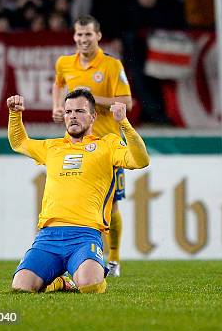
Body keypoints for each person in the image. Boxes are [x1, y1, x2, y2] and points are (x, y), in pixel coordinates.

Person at [8, 90, 150, 293]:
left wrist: (124, 124)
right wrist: (15, 114)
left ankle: (74, 278)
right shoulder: (52, 146)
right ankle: (61, 283)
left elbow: (141, 160)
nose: (73, 115)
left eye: (80, 111)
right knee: (21, 287)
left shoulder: (108, 144)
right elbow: (19, 142)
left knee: (90, 285)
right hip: (48, 236)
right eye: (68, 111)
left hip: (85, 235)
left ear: (93, 116)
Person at [52, 15, 133, 277]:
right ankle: (81, 256)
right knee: (75, 204)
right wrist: (57, 106)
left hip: (106, 146)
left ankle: (114, 260)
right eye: (79, 35)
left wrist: (89, 98)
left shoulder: (111, 65)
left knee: (111, 205)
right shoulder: (65, 63)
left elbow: (126, 102)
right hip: (76, 146)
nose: (83, 40)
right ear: (74, 37)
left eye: (88, 35)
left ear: (98, 36)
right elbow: (58, 83)